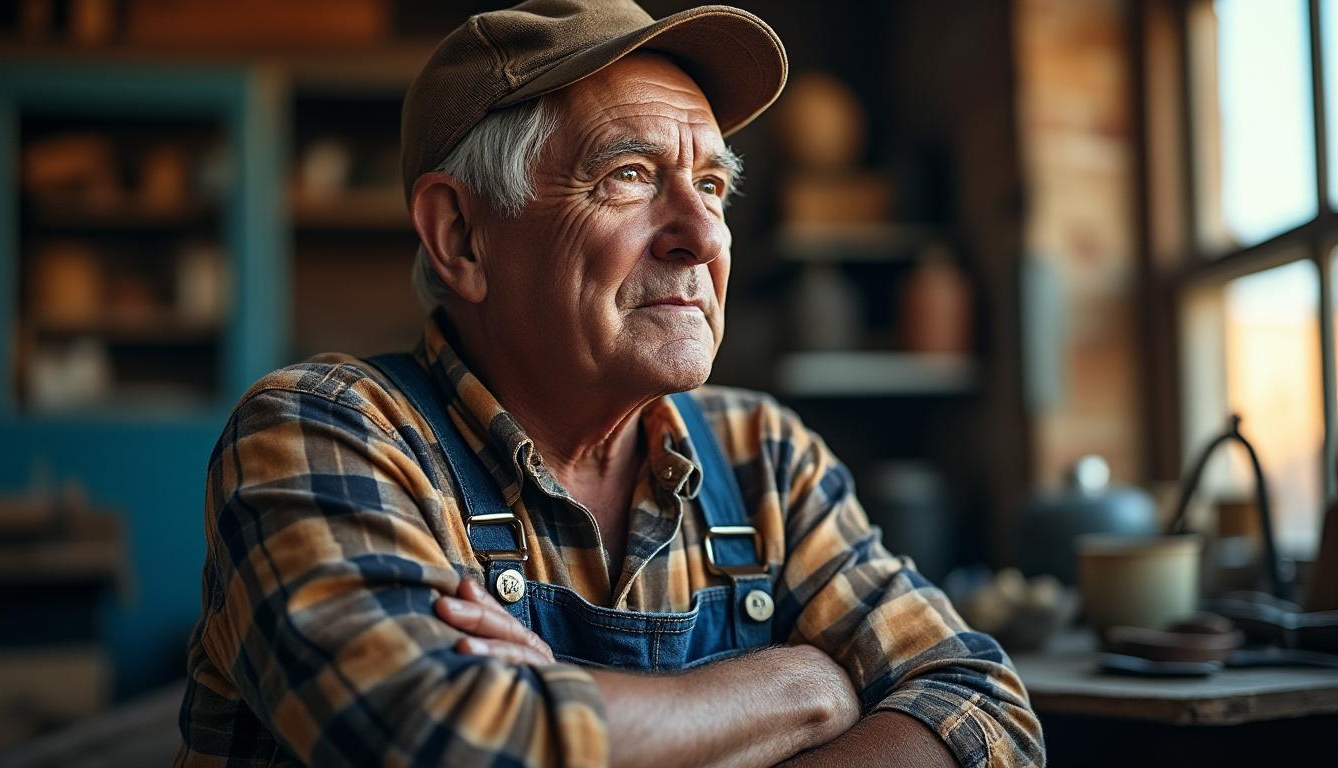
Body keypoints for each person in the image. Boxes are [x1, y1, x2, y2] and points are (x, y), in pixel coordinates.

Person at [174, 1, 1045, 766]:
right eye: (629, 176)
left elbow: (985, 714)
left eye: (712, 185)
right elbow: (441, 743)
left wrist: (566, 700)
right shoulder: (320, 432)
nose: (702, 235)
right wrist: (801, 689)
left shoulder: (762, 456)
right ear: (462, 238)